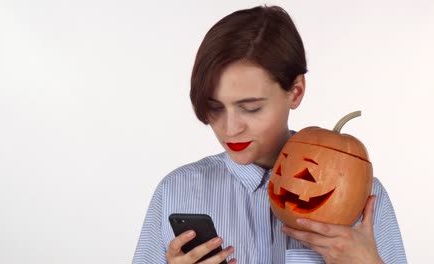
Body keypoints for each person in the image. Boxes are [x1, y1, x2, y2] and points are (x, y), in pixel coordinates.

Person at [133, 5, 406, 264]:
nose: (230, 129)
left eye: (250, 108)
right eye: (215, 108)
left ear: (296, 91)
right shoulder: (175, 191)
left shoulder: (364, 200)